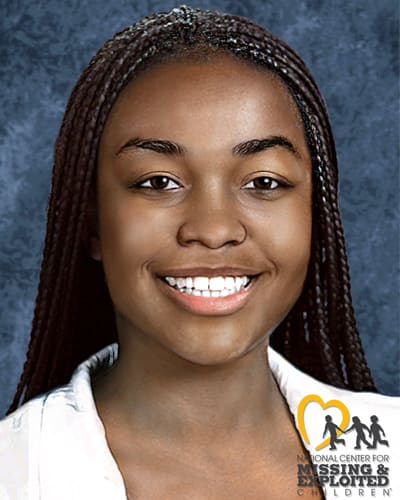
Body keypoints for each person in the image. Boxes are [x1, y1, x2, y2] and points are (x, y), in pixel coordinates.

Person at [0, 5, 398, 499]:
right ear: (93, 222)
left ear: (316, 214)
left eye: (264, 182)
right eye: (158, 182)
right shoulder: (13, 473)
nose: (213, 230)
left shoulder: (388, 457)